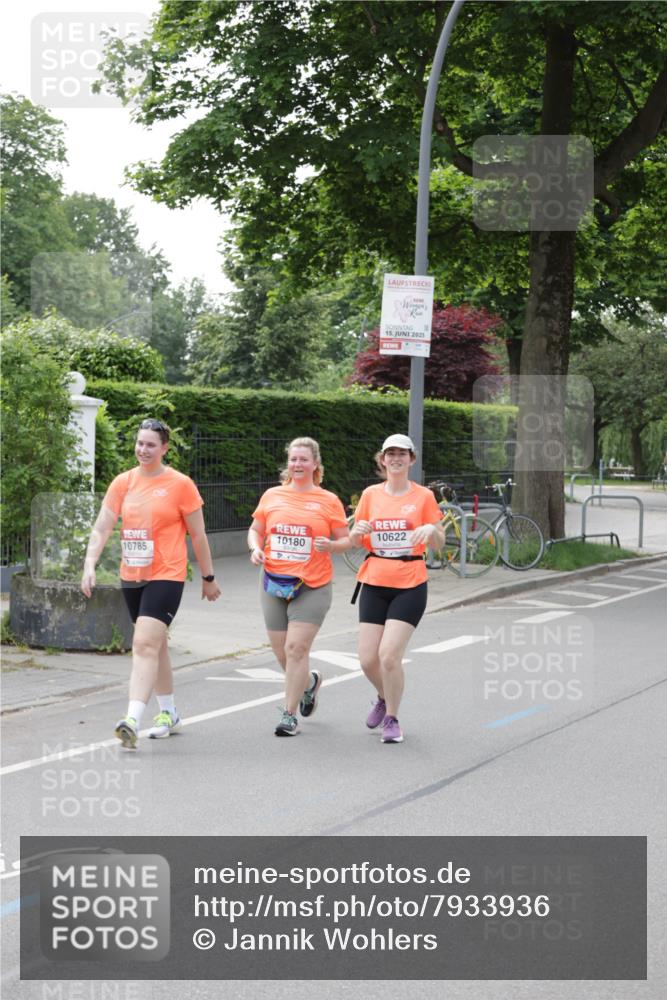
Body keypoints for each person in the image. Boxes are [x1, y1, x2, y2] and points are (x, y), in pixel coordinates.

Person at [81, 419, 221, 748]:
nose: (143, 450)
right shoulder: (123, 483)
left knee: (143, 643)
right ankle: (169, 712)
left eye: (150, 445)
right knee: (155, 646)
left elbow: (198, 535)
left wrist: (208, 577)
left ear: (164, 448)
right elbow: (102, 527)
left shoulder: (181, 484)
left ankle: (131, 718)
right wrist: (89, 563)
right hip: (132, 574)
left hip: (167, 574)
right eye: (140, 443)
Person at [247, 437, 349, 737]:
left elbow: (347, 540)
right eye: (293, 459)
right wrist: (255, 548)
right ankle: (308, 684)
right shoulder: (272, 495)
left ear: (315, 464)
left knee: (296, 648)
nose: (297, 465)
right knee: (283, 653)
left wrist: (331, 544)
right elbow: (256, 530)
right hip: (274, 583)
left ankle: (289, 715)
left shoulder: (328, 500)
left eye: (304, 460)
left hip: (313, 585)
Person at [349, 434, 444, 744]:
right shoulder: (370, 495)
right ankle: (383, 695)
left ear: (412, 459)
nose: (396, 459)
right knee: (367, 660)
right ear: (383, 460)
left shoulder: (424, 497)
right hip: (375, 581)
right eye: (390, 453)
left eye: (402, 454)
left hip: (410, 582)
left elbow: (440, 541)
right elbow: (356, 539)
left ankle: (392, 718)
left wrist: (432, 530)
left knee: (389, 656)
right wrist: (356, 531)